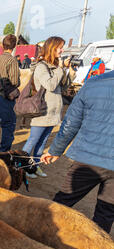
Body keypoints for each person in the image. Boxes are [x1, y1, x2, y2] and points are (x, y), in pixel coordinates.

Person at [40, 70, 114, 234]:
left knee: (62, 202)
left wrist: (56, 150)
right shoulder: (93, 83)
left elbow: (71, 123)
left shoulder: (93, 83)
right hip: (92, 157)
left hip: (88, 157)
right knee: (106, 214)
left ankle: (42, 234)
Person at [22, 37, 76, 179]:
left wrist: (69, 72)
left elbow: (61, 87)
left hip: (53, 114)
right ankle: (22, 167)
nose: (62, 50)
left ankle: (35, 166)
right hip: (42, 112)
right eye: (60, 47)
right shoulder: (41, 67)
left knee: (42, 143)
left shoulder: (54, 67)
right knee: (32, 141)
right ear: (52, 48)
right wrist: (60, 68)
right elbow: (50, 85)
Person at [0, 34, 20, 152]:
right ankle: (4, 152)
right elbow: (15, 81)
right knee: (8, 125)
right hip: (4, 97)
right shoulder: (12, 60)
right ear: (14, 46)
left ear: (2, 45)